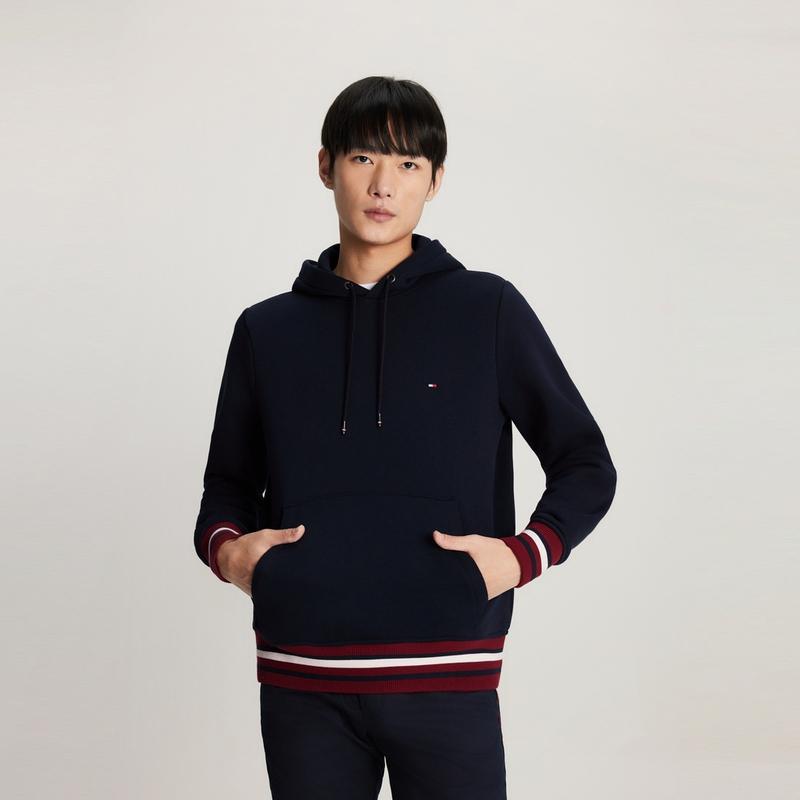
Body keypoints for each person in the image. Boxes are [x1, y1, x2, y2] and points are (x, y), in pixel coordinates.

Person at [193, 75, 617, 800]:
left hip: (449, 673)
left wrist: (521, 556)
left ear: (435, 181)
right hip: (303, 679)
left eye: (408, 164)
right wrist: (230, 552)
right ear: (325, 166)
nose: (383, 184)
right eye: (363, 158)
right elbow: (226, 486)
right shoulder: (267, 329)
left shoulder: (487, 309)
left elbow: (585, 463)